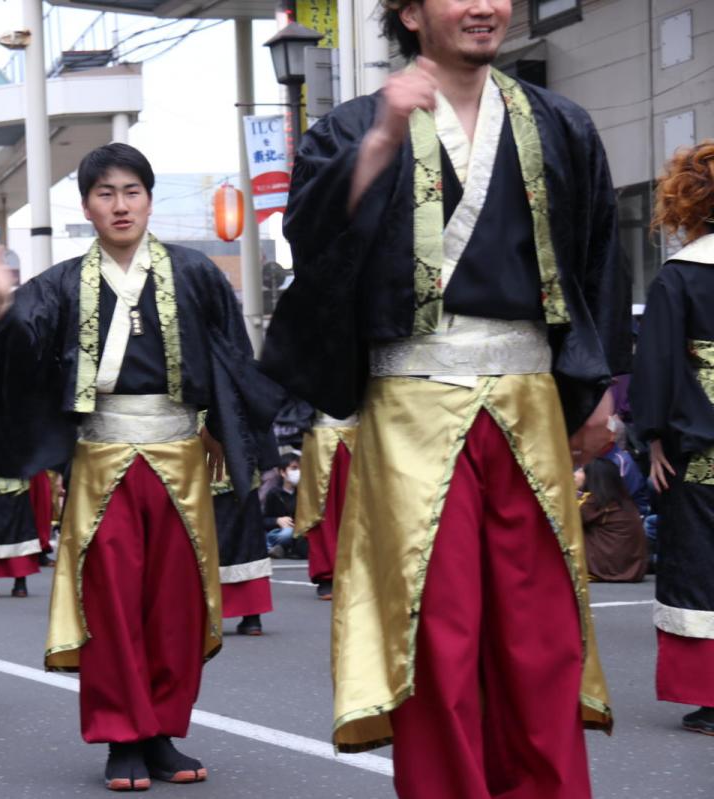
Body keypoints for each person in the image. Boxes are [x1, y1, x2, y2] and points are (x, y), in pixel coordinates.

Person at [263, 2, 628, 795]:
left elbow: (597, 255)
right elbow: (310, 243)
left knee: (541, 630)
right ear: (409, 11)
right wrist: (381, 142)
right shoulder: (352, 127)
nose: (484, 6)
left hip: (530, 396)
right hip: (410, 402)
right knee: (436, 628)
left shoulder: (561, 123)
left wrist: (596, 385)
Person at [0, 143, 282, 791]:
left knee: (175, 601)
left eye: (131, 191)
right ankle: (120, 736)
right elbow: (20, 346)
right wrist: (0, 301)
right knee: (109, 601)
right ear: (86, 207)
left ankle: (161, 731)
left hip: (180, 454)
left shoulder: (194, 273)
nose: (120, 205)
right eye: (105, 193)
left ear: (150, 199)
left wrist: (233, 436)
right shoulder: (60, 284)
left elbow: (230, 358)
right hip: (102, 458)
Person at [629, 139, 714, 737]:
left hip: (702, 445)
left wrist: (654, 440)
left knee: (701, 562)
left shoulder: (680, 276)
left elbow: (656, 365)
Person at [293, 414, 356, 600]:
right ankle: (326, 574)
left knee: (357, 508)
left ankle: (358, 572)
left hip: (359, 433)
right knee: (321, 509)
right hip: (319, 434)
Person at [212, 470, 273, 636]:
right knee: (248, 541)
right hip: (243, 472)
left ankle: (207, 614)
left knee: (210, 542)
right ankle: (252, 618)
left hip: (206, 475)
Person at [579, 458, 648, 582]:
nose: (574, 474)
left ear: (592, 477)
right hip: (632, 570)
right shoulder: (623, 500)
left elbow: (566, 520)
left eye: (581, 471)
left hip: (609, 568)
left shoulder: (596, 502)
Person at [262, 453, 300, 558]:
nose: (298, 472)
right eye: (294, 468)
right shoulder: (274, 494)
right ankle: (270, 547)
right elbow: (263, 520)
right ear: (283, 472)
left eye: (300, 469)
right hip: (279, 531)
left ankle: (279, 549)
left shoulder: (302, 493)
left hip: (297, 531)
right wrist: (277, 520)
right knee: (287, 533)